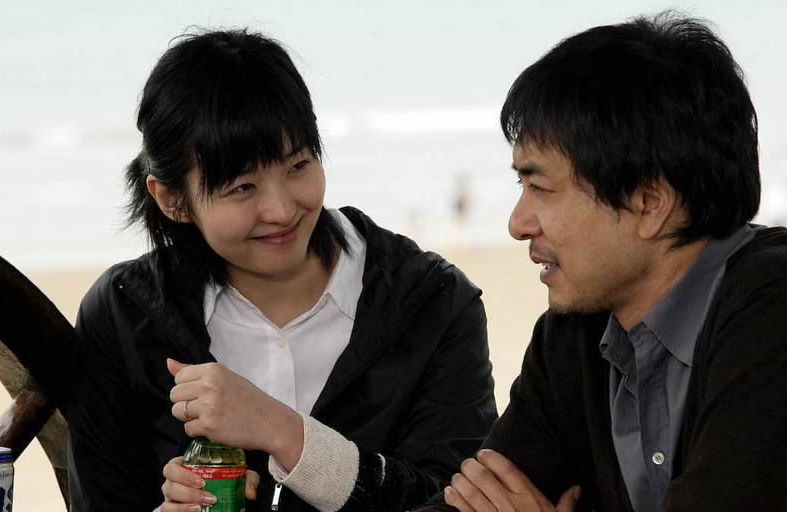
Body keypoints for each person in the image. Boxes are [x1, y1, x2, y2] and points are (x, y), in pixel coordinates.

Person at [413, 12, 787, 512]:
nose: (518, 223)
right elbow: (471, 499)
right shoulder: (573, 334)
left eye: (540, 188)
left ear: (649, 204)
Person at [66, 29, 497, 512]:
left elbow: (459, 503)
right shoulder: (123, 314)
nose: (281, 209)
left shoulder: (434, 300)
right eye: (242, 187)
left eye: (298, 166)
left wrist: (282, 431)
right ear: (172, 201)